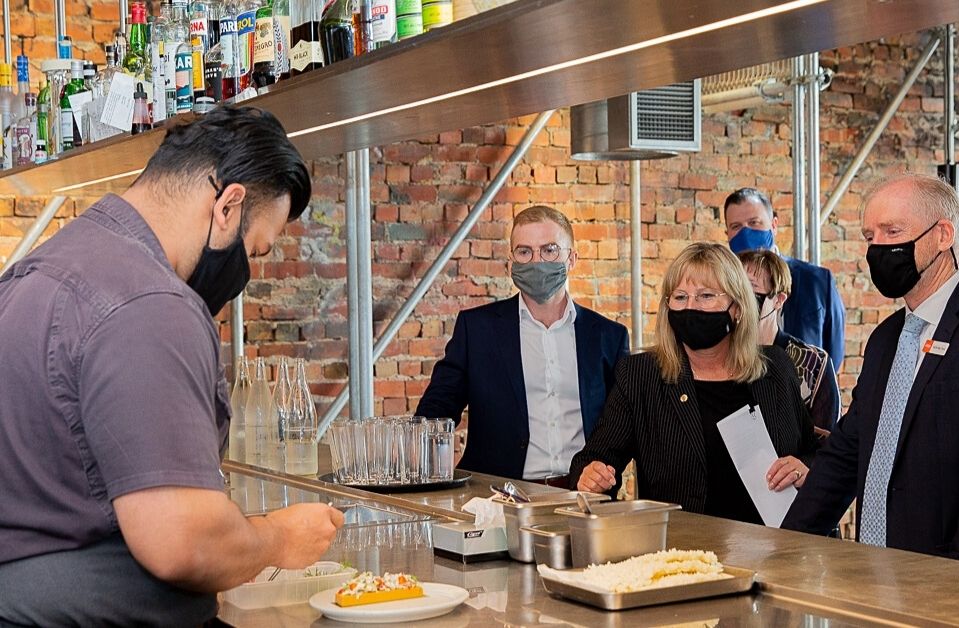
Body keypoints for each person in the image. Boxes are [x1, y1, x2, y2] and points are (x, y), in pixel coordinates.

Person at [0, 107, 344, 625]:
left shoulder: (34, 273)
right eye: (254, 250)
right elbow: (183, 542)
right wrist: (278, 537)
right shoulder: (149, 304)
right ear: (228, 205)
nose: (245, 271)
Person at [782, 174, 959, 575]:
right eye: (870, 236)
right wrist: (785, 549)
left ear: (943, 235)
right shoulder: (886, 338)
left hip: (951, 580)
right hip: (881, 573)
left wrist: (956, 582)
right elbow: (849, 451)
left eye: (892, 232)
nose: (877, 247)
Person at [570, 243, 821, 525]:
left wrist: (804, 467)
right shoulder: (641, 376)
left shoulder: (775, 367)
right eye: (680, 297)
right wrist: (591, 476)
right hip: (682, 546)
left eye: (706, 296)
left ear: (737, 308)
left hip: (773, 543)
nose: (691, 307)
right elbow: (595, 457)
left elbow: (814, 450)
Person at [416, 205, 629, 485]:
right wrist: (414, 447)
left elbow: (621, 425)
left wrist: (602, 472)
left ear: (572, 259)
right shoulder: (477, 329)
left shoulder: (609, 336)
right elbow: (438, 407)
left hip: (582, 494)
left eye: (549, 250)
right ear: (511, 262)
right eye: (524, 252)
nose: (536, 261)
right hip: (498, 495)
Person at [724, 188, 846, 369]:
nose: (745, 232)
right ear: (727, 233)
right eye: (736, 226)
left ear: (774, 225)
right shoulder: (722, 284)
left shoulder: (817, 281)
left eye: (754, 222)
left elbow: (833, 356)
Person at [738, 249, 840, 430]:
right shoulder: (718, 356)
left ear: (779, 300)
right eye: (736, 288)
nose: (742, 297)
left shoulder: (813, 363)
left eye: (751, 288)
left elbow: (828, 436)